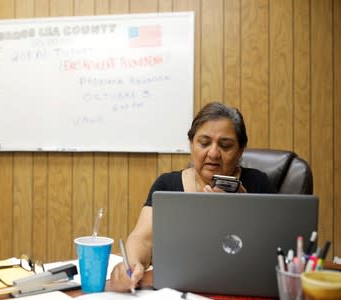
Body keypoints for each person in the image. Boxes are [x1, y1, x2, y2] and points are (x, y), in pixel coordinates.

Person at [109, 102, 275, 292]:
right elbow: (143, 238)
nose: (213, 153)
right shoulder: (167, 185)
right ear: (191, 144)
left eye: (226, 146)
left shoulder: (258, 184)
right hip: (179, 290)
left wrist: (243, 207)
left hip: (244, 288)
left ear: (241, 150)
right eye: (204, 143)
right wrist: (131, 264)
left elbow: (275, 249)